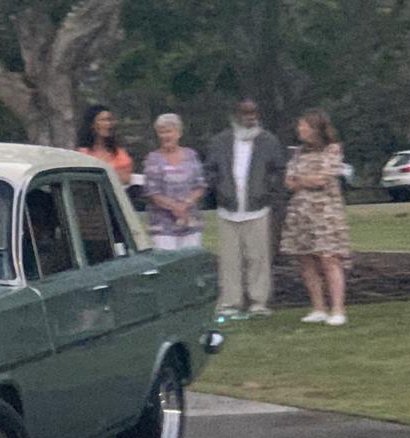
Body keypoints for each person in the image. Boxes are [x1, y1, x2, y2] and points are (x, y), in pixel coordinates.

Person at [205, 98, 286, 318]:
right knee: (230, 260)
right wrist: (220, 191)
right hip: (228, 209)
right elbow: (210, 171)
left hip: (258, 208)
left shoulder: (269, 141)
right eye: (245, 113)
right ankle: (230, 303)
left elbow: (279, 172)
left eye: (253, 113)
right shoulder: (220, 141)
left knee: (258, 258)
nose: (250, 117)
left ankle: (258, 302)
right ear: (236, 115)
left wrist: (268, 194)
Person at [280, 109, 351, 326]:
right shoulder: (298, 153)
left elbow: (322, 179)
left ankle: (338, 309)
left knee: (329, 259)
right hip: (301, 214)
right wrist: (303, 180)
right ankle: (318, 307)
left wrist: (301, 180)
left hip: (326, 215)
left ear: (315, 128)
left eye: (304, 126)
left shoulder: (332, 150)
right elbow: (288, 182)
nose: (300, 129)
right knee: (305, 259)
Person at [142, 113, 206, 250]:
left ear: (178, 133)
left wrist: (186, 204)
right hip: (163, 228)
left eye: (169, 131)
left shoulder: (191, 155)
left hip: (191, 223)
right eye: (161, 132)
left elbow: (200, 185)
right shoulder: (152, 159)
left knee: (190, 265)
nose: (165, 136)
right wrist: (175, 208)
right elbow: (152, 193)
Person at [77, 104, 133, 185]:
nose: (108, 124)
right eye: (103, 120)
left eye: (109, 120)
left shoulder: (118, 152)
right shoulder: (83, 154)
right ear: (92, 124)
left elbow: (126, 178)